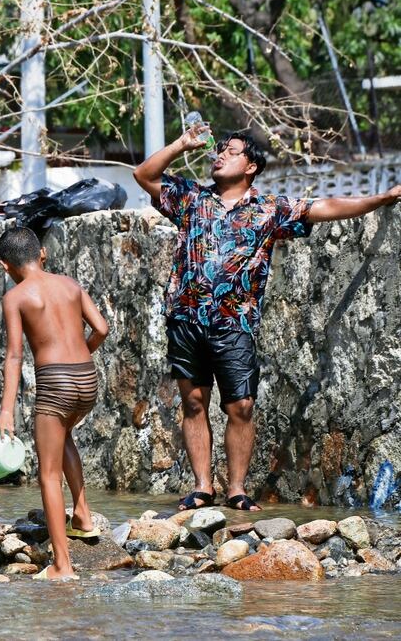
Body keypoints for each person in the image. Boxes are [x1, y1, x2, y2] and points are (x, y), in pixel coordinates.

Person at [133, 123, 401, 512]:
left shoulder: (269, 209)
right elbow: (144, 175)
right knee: (193, 402)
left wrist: (381, 198)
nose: (219, 155)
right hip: (186, 319)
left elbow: (323, 207)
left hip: (235, 323)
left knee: (240, 407)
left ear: (251, 167)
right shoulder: (191, 198)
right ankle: (203, 486)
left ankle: (237, 489)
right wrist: (182, 143)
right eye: (218, 150)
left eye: (232, 151)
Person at [0, 227, 109, 580]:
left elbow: (14, 357)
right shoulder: (71, 285)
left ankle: (62, 565)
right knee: (65, 436)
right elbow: (102, 328)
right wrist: (79, 358)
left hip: (55, 383)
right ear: (42, 254)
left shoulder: (16, 297)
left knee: (47, 474)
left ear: (4, 265)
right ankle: (83, 516)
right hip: (87, 379)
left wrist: (6, 410)